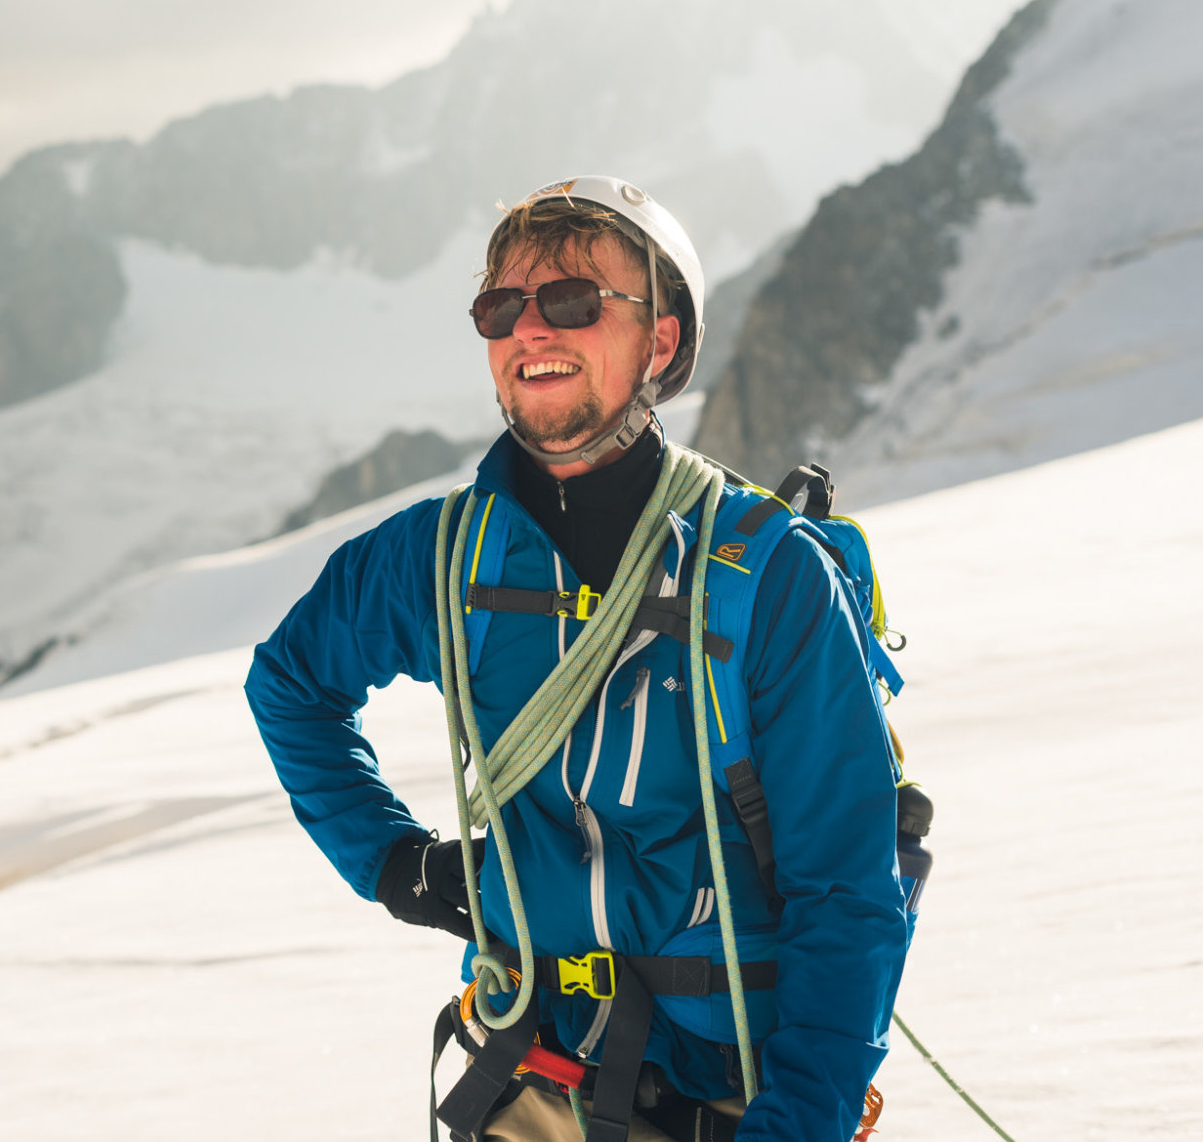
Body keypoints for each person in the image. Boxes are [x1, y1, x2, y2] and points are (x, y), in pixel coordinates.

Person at [244, 178, 909, 1141]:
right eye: (501, 308)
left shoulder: (766, 574)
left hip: (742, 1096)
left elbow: (846, 892)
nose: (531, 330)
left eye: (572, 302)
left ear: (663, 341)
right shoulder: (440, 557)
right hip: (531, 1068)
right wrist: (399, 866)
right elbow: (292, 685)